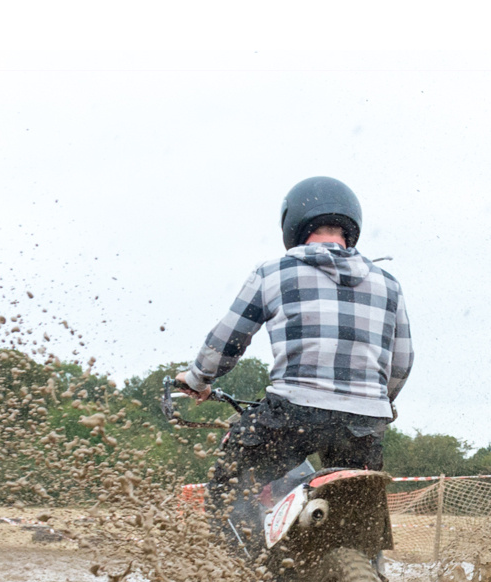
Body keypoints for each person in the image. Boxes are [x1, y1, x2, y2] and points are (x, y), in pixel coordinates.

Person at [174, 177, 413, 549]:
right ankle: (366, 569)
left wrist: (197, 379)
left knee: (229, 488)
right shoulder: (389, 284)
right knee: (360, 510)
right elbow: (401, 363)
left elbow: (228, 340)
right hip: (366, 419)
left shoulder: (274, 272)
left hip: (293, 413)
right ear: (351, 225)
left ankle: (240, 579)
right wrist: (377, 402)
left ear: (294, 222)